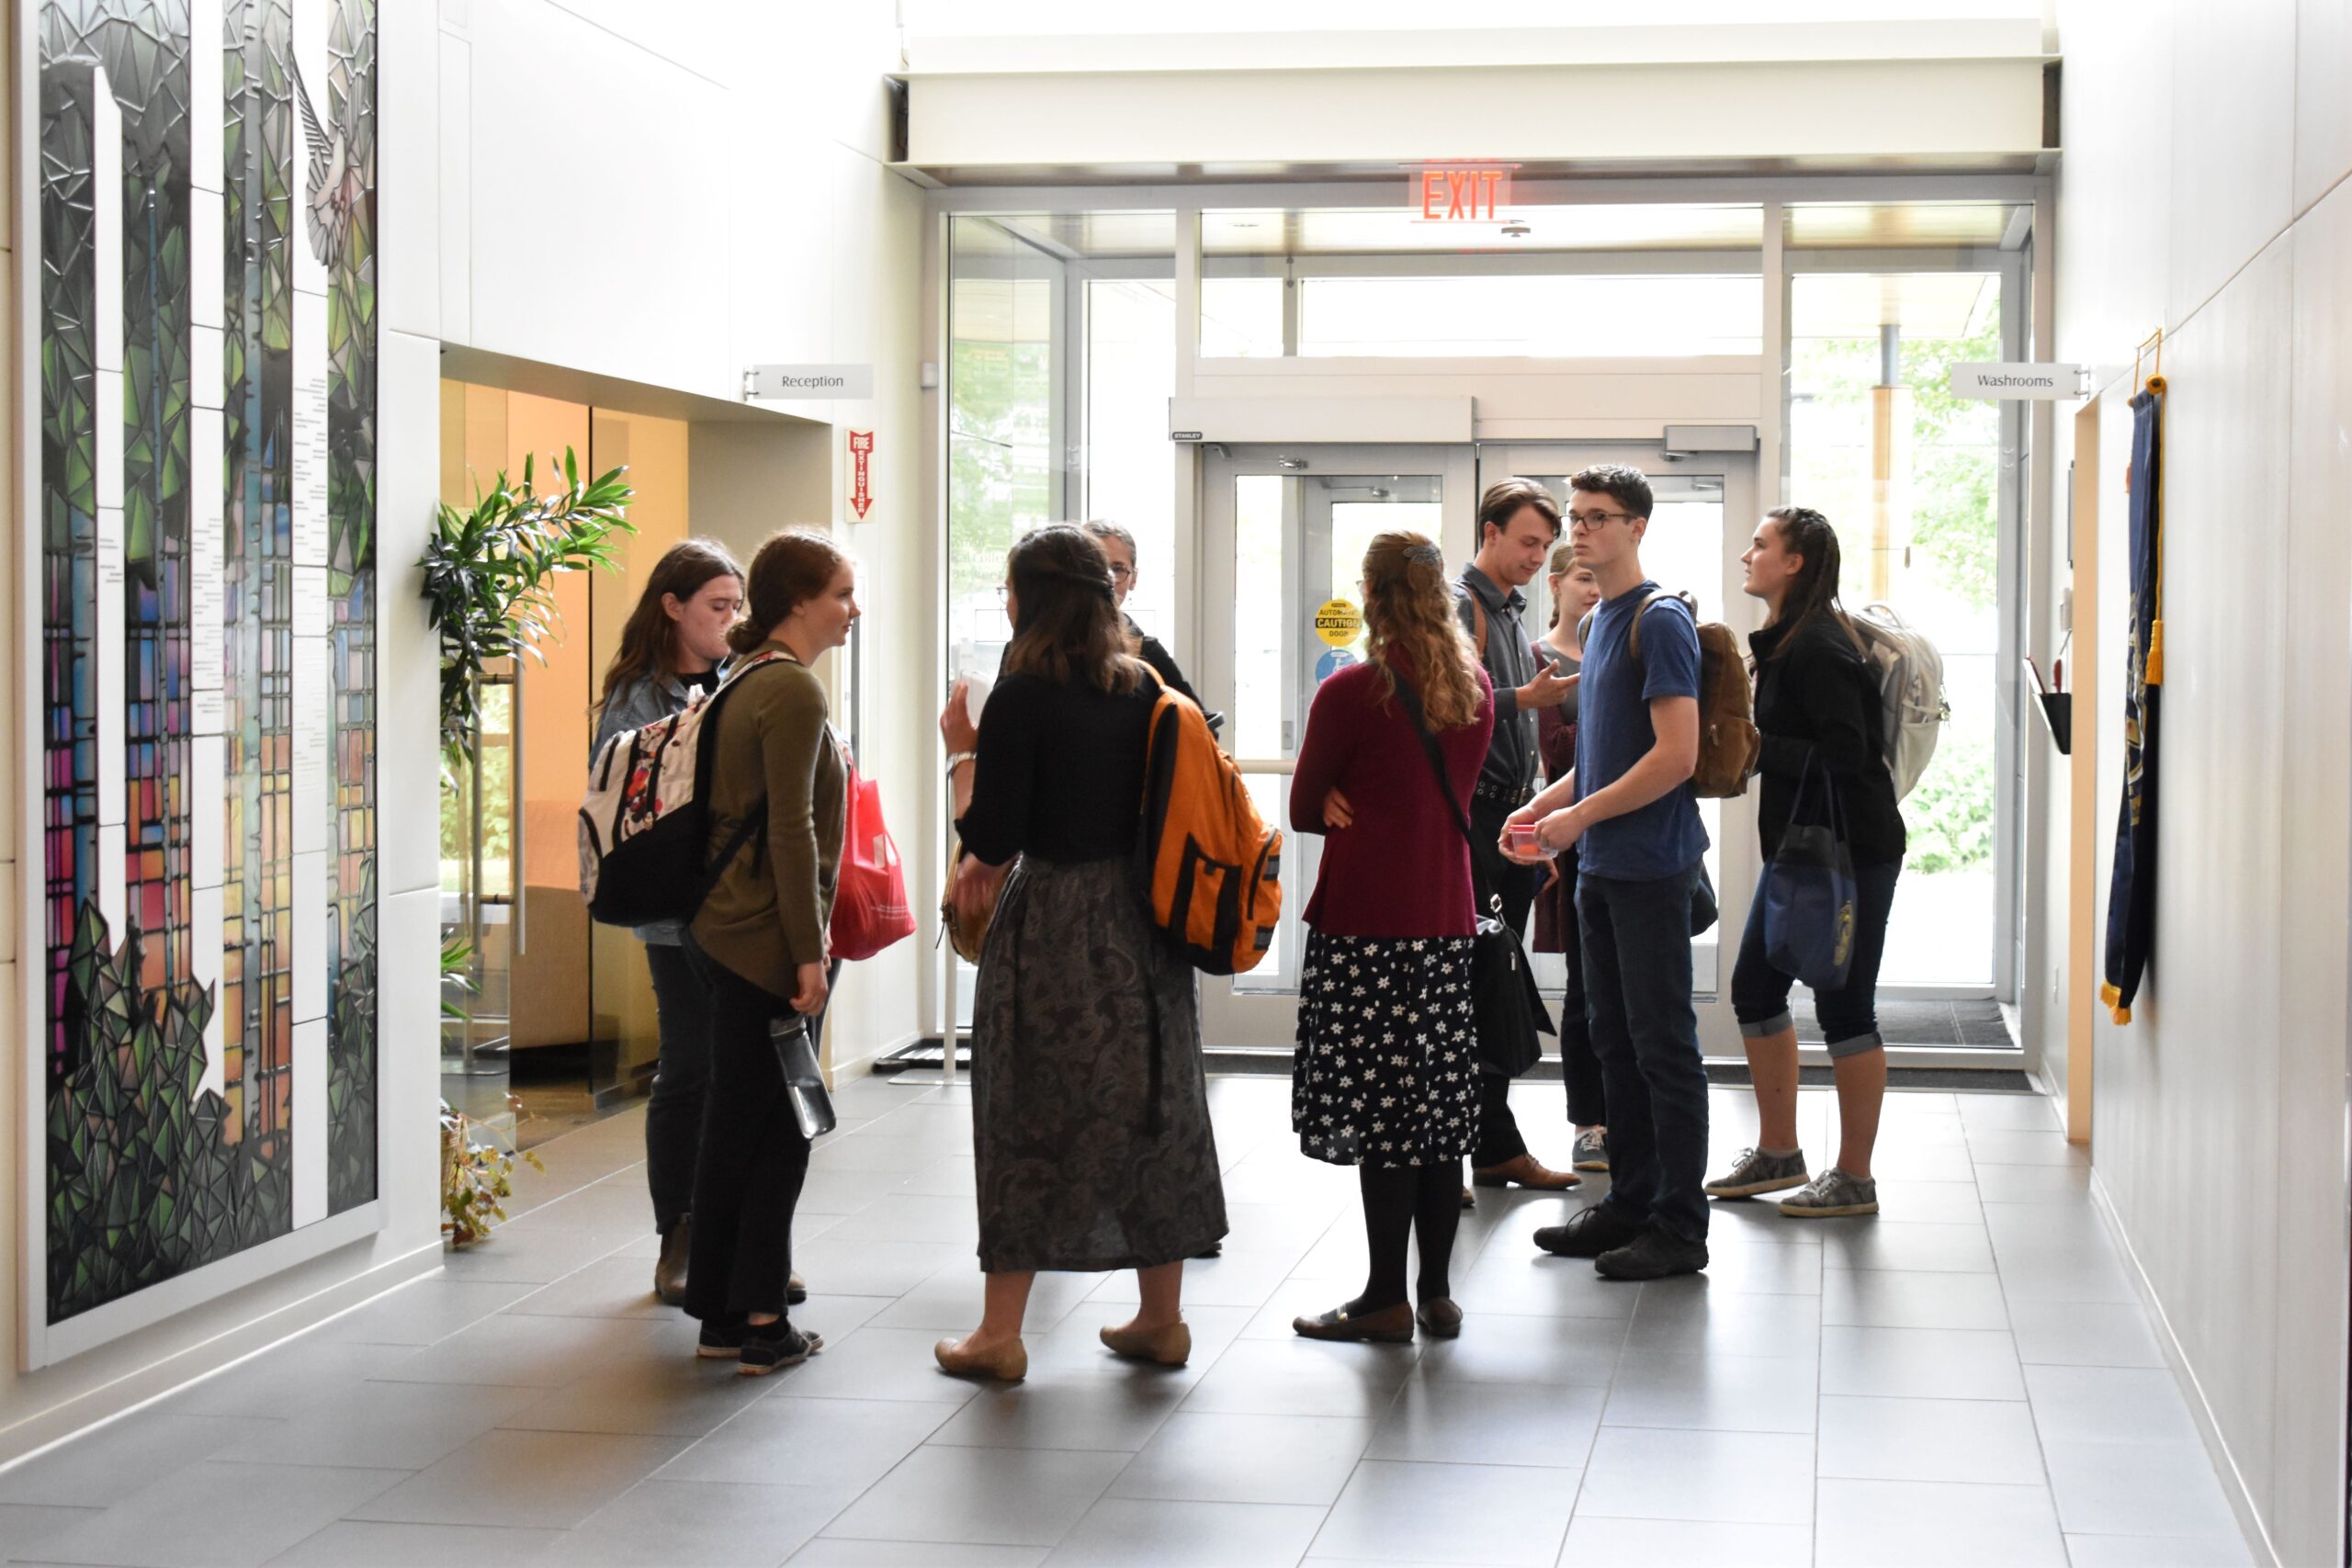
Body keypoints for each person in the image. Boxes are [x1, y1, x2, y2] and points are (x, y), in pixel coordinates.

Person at [934, 524, 1227, 1382]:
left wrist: (963, 750)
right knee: (1150, 1105)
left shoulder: (1025, 693)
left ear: (1030, 597)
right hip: (1142, 923)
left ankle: (999, 1334)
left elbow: (993, 835)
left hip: (1055, 922)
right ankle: (1160, 1318)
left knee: (1025, 1111)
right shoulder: (1142, 685)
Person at [1505, 463, 1711, 1281]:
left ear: (1637, 527)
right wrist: (1540, 808)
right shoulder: (1598, 626)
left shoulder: (1659, 621)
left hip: (1651, 867)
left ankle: (1679, 1224)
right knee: (1613, 1040)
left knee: (1664, 1046)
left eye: (1598, 517)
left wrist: (1579, 818)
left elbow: (1677, 754)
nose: (1580, 531)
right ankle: (1630, 1201)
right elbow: (1599, 755)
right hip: (1600, 866)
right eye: (1575, 518)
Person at [1288, 532, 1494, 1344]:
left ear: (1371, 598)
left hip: (1367, 926)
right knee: (1437, 1112)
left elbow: (1306, 805)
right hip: (1444, 921)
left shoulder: (1352, 693)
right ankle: (1437, 1292)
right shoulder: (1473, 689)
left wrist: (1340, 790)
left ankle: (1382, 1297)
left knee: (1383, 1117)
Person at [681, 527, 857, 1373]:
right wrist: (809, 951)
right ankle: (760, 1318)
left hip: (722, 928)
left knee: (732, 1124)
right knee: (780, 1132)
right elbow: (792, 828)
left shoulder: (739, 677)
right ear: (798, 601)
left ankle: (718, 1308)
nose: (853, 609)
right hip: (765, 942)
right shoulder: (792, 692)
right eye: (841, 594)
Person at [1705, 507, 1905, 1217]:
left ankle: (1855, 1177)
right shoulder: (1794, 637)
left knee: (1845, 1005)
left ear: (1794, 562)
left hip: (1852, 850)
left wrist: (1753, 744)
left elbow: (1850, 755)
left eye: (1760, 545)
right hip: (1807, 849)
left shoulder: (1819, 644)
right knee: (1756, 987)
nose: (1747, 554)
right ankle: (1780, 1151)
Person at [590, 540, 745, 1306]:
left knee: (742, 1072)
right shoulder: (636, 696)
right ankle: (678, 1235)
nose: (730, 620)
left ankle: (743, 1238)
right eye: (717, 606)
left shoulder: (744, 674)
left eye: (736, 606)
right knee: (689, 1065)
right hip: (678, 913)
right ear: (672, 607)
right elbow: (636, 799)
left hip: (742, 907)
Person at [1455, 479, 1582, 1201]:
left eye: (1544, 545)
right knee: (1477, 984)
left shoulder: (1508, 610)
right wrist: (1520, 700)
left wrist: (1539, 823)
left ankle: (1491, 1145)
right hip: (1474, 817)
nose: (1538, 555)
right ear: (1490, 531)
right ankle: (1479, 1145)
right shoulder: (1461, 604)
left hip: (1509, 817)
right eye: (1528, 541)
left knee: (1496, 985)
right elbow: (1438, 696)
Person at [1530, 545, 1610, 1175]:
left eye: (1597, 578)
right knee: (1584, 989)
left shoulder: (1618, 643)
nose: (1592, 589)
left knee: (1624, 989)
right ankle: (1590, 1123)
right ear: (1556, 584)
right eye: (1582, 577)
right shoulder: (1540, 660)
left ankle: (1629, 1113)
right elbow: (1556, 748)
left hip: (1623, 832)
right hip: (1573, 836)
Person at [1080, 520, 1216, 727]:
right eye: (1096, 568)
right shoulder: (1038, 648)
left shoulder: (1148, 653)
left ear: (1133, 578)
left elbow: (1202, 730)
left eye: (1117, 569)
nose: (1106, 580)